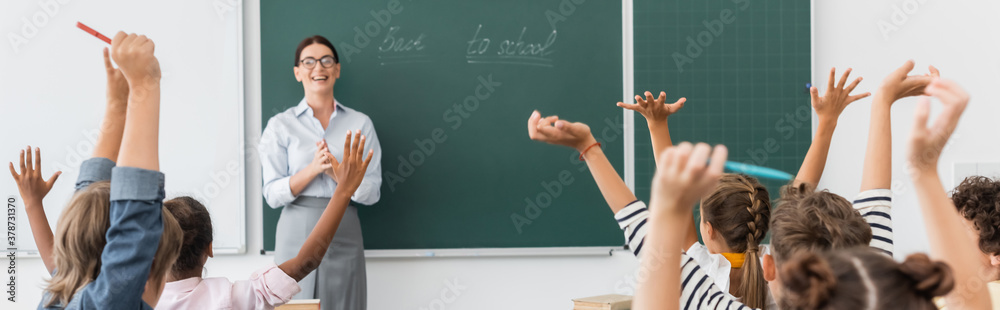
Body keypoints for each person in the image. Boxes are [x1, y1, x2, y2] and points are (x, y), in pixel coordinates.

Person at [158, 132, 373, 310]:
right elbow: (305, 262)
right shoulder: (231, 298)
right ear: (209, 249)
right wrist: (343, 190)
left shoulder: (141, 301)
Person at [259, 35, 382, 310]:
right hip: (296, 228)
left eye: (327, 60)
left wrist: (341, 175)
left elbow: (372, 192)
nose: (319, 68)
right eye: (309, 61)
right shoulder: (280, 125)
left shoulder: (360, 123)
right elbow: (272, 195)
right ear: (297, 72)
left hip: (344, 226)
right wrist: (314, 169)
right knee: (295, 302)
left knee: (346, 303)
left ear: (337, 70)